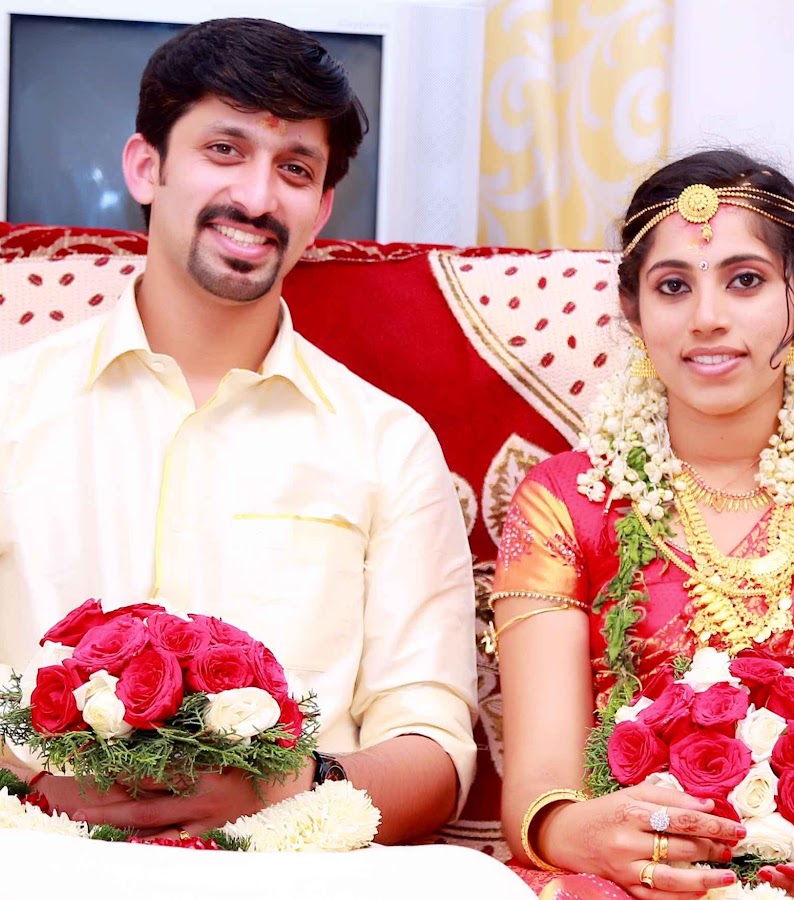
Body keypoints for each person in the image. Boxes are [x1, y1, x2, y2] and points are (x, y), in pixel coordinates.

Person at [0, 18, 477, 844]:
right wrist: (41, 790)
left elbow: (434, 753)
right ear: (145, 166)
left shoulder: (388, 444)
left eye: (295, 169)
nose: (257, 199)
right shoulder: (13, 406)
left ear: (321, 210)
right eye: (225, 149)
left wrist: (285, 789)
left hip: (289, 870)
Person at [490, 150, 794, 899]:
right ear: (633, 312)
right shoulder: (567, 503)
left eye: (745, 280)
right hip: (639, 883)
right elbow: (540, 790)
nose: (707, 317)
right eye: (673, 286)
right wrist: (574, 831)